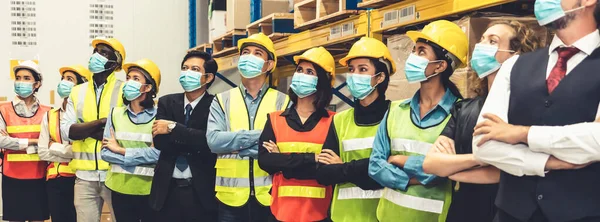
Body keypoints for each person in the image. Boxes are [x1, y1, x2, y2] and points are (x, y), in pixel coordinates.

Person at [471, 1, 600, 221]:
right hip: (511, 214)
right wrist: (546, 163)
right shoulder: (514, 65)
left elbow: (596, 140)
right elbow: (482, 143)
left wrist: (522, 134)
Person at [421, 20, 543, 222]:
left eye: (492, 41)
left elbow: (522, 172)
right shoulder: (464, 109)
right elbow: (432, 164)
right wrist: (486, 158)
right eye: (482, 39)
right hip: (463, 212)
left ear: (516, 55)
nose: (480, 45)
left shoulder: (529, 111)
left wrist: (456, 167)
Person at [368, 20, 468, 222]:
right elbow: (375, 166)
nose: (412, 57)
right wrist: (413, 177)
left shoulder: (460, 113)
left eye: (421, 52)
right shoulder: (395, 110)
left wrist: (399, 160)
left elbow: (444, 172)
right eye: (413, 50)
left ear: (440, 65)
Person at [207, 32, 290, 222]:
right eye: (245, 52)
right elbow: (214, 142)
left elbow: (284, 147)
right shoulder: (222, 100)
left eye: (257, 53)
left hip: (269, 195)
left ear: (269, 64)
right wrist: (262, 138)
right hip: (230, 199)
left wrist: (236, 143)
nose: (249, 57)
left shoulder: (283, 102)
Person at [314, 37, 395, 222]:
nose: (354, 74)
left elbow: (391, 171)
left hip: (381, 216)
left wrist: (342, 167)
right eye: (351, 69)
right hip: (344, 217)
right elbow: (323, 174)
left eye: (363, 69)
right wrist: (372, 167)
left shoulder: (396, 116)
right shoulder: (340, 120)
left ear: (380, 77)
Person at [257, 47, 335, 222]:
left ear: (322, 81)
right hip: (281, 212)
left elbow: (328, 170)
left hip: (319, 214)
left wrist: (283, 162)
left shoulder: (334, 122)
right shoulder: (275, 119)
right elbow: (266, 162)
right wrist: (313, 158)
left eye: (310, 72)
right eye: (299, 70)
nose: (302, 75)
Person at [149, 50, 219, 222]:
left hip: (201, 191)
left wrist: (173, 128)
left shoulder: (216, 104)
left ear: (208, 77)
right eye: (184, 68)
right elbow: (159, 141)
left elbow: (209, 142)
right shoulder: (167, 102)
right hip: (167, 190)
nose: (187, 73)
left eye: (194, 69)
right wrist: (193, 138)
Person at [61, 38, 126, 222]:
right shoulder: (77, 91)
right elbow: (69, 132)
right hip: (84, 176)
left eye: (104, 53)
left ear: (116, 63)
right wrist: (101, 122)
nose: (97, 56)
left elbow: (122, 132)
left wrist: (85, 127)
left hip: (115, 173)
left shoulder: (124, 90)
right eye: (96, 51)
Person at [100, 59, 161, 222]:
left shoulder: (159, 116)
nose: (128, 82)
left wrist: (121, 150)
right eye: (128, 78)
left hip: (149, 189)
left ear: (148, 87)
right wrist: (141, 156)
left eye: (135, 78)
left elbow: (158, 155)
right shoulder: (115, 114)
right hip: (119, 188)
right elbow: (105, 153)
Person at [38, 65, 92, 222]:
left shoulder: (88, 116)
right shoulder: (50, 116)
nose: (64, 83)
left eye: (70, 79)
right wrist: (72, 151)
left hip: (82, 179)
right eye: (63, 79)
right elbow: (42, 152)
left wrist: (54, 146)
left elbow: (87, 150)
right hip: (56, 179)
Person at [0, 60, 51, 222]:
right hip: (12, 177)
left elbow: (50, 145)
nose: (21, 81)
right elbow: (1, 141)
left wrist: (14, 142)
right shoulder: (3, 109)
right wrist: (32, 143)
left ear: (37, 84)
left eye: (27, 78)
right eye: (18, 77)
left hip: (39, 176)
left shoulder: (48, 112)